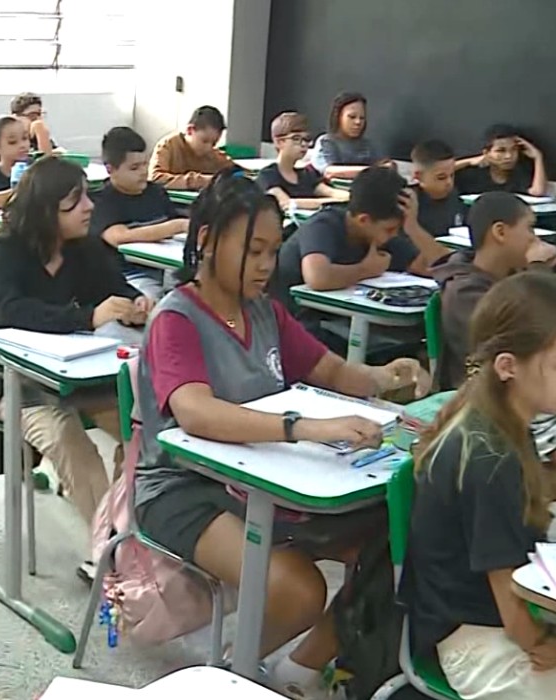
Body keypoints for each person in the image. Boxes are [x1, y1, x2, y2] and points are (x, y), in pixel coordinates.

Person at [136, 172, 429, 699]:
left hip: (266, 477)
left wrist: (389, 379)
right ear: (206, 241)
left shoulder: (264, 311)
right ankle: (229, 677)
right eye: (253, 251)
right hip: (183, 490)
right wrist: (304, 428)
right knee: (297, 591)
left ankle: (298, 669)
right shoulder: (175, 318)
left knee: (399, 536)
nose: (267, 265)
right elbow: (196, 412)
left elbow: (331, 370)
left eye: (273, 250)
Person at [0, 156, 143, 576]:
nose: (89, 207)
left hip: (71, 375)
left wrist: (136, 303)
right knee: (66, 436)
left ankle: (122, 531)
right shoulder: (7, 251)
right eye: (74, 201)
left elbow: (116, 287)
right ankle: (113, 550)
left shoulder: (83, 248)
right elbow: (7, 308)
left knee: (139, 429)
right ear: (46, 211)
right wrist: (85, 318)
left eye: (85, 196)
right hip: (5, 379)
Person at [405, 271, 556, 699]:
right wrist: (544, 645)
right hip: (476, 641)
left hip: (500, 615)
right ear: (508, 367)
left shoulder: (504, 419)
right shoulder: (489, 458)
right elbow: (512, 610)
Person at [274, 167, 449, 324]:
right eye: (390, 229)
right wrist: (366, 269)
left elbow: (440, 266)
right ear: (363, 220)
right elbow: (318, 277)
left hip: (343, 322)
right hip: (298, 322)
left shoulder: (380, 233)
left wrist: (413, 228)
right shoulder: (324, 225)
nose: (394, 235)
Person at [432, 192, 556, 391]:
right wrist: (538, 270)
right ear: (500, 232)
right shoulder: (463, 292)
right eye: (529, 228)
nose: (534, 238)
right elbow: (527, 332)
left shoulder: (515, 274)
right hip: (488, 392)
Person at [89, 126, 188, 299]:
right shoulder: (101, 201)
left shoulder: (156, 192)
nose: (143, 172)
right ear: (110, 169)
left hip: (167, 270)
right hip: (129, 277)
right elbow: (118, 236)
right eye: (134, 168)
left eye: (145, 164)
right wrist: (176, 226)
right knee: (153, 301)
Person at [257, 112, 348, 211]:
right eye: (296, 139)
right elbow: (285, 203)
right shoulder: (268, 175)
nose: (304, 144)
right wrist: (330, 202)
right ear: (280, 142)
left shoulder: (308, 174)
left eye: (306, 139)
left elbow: (331, 192)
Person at [147, 105, 236, 190]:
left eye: (214, 143)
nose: (209, 148)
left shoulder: (214, 155)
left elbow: (236, 173)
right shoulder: (168, 145)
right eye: (205, 141)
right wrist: (199, 181)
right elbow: (155, 179)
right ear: (190, 130)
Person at [456, 123, 549, 198]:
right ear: (487, 152)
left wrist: (538, 157)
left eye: (514, 150)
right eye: (501, 151)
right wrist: (467, 162)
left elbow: (537, 192)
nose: (508, 156)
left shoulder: (519, 173)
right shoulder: (474, 173)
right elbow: (443, 171)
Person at [310, 91, 386, 180]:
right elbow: (329, 171)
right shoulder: (326, 142)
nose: (358, 122)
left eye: (362, 118)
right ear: (338, 117)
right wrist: (372, 170)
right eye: (352, 117)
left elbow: (384, 164)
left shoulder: (368, 144)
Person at [410, 139, 468, 239]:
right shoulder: (409, 205)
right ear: (418, 176)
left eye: (452, 175)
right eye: (441, 177)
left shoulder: (454, 196)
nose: (449, 182)